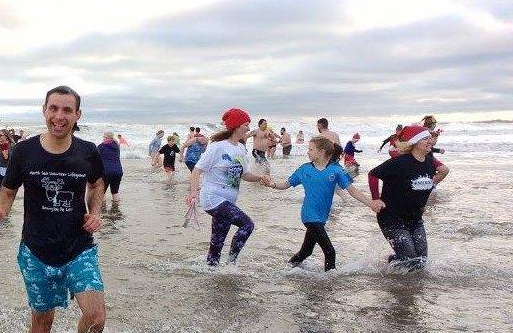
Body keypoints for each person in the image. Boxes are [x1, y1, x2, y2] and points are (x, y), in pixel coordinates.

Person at [0, 86, 106, 333]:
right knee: (42, 325)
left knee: (96, 318)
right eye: (54, 109)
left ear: (77, 115)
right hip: (36, 252)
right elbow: (8, 193)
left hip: (79, 248)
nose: (59, 116)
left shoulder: (88, 151)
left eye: (67, 110)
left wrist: (95, 212)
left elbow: (98, 183)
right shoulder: (24, 151)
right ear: (44, 110)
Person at [262, 137, 382, 271]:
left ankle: (286, 270)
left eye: (310, 149)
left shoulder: (336, 170)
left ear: (321, 152)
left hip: (322, 217)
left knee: (306, 252)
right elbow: (285, 184)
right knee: (330, 251)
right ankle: (329, 282)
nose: (308, 152)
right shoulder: (304, 169)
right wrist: (272, 184)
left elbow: (352, 190)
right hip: (309, 216)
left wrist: (370, 203)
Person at [186, 108, 267, 266]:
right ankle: (231, 265)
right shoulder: (217, 147)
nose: (249, 129)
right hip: (213, 198)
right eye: (246, 125)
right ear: (236, 126)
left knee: (216, 245)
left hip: (228, 200)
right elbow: (196, 171)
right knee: (247, 224)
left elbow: (244, 175)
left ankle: (212, 271)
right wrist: (194, 194)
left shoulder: (241, 148)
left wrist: (261, 178)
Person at [368, 125, 449, 271]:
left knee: (421, 261)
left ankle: (394, 260)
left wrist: (428, 188)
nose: (431, 141)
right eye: (426, 138)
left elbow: (438, 175)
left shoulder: (430, 161)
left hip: (415, 219)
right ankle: (390, 263)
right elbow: (373, 174)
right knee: (410, 260)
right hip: (391, 218)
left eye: (430, 138)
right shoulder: (400, 162)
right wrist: (375, 199)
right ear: (416, 142)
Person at [97, 131, 123, 203]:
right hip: (118, 172)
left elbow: (96, 159)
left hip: (106, 171)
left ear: (106, 137)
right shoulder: (116, 146)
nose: (103, 138)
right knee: (115, 191)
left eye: (104, 137)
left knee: (102, 191)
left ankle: (103, 208)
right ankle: (116, 207)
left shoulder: (101, 146)